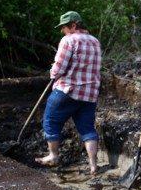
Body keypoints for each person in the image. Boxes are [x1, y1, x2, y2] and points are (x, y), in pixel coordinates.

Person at [35, 10, 102, 175]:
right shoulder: (95, 41)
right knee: (87, 128)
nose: (61, 31)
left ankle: (53, 156)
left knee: (51, 120)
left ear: (73, 25)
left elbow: (59, 67)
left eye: (64, 27)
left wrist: (53, 74)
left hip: (68, 90)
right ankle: (93, 166)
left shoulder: (69, 40)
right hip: (89, 92)